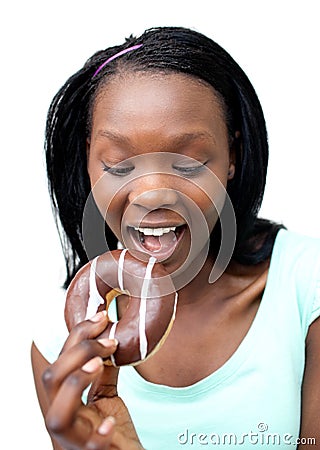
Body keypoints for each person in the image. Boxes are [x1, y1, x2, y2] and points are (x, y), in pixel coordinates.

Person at [31, 26, 320, 449]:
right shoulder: (62, 350)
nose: (152, 195)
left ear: (232, 158)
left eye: (187, 163)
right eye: (117, 165)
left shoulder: (306, 287)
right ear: (88, 163)